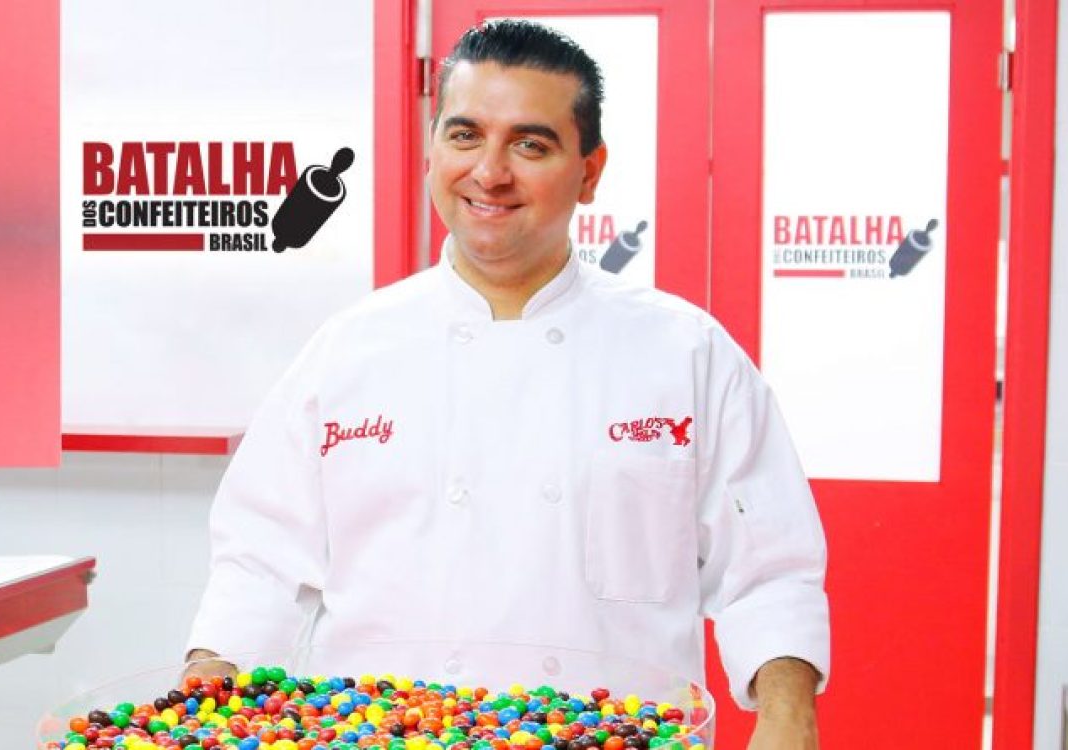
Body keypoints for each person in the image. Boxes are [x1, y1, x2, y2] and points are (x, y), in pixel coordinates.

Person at [185, 19, 829, 748]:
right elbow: (259, 559)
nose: (489, 173)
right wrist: (212, 674)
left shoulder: (685, 354)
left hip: (620, 734)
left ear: (590, 172)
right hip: (377, 735)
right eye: (465, 136)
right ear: (432, 151)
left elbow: (768, 570)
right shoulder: (347, 351)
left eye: (530, 144)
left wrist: (788, 715)